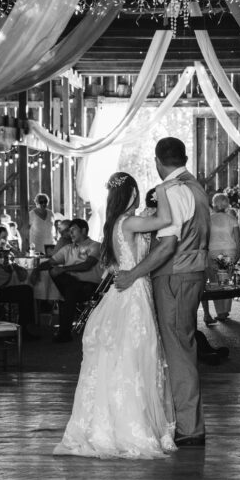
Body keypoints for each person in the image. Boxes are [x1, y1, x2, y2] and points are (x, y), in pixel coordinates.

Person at [54, 171, 179, 458]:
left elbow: (106, 267)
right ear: (133, 194)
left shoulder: (113, 223)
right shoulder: (129, 220)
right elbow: (165, 221)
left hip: (121, 292)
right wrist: (163, 191)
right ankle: (131, 425)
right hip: (134, 293)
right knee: (136, 355)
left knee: (121, 356)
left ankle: (109, 422)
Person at [113, 137, 211, 448]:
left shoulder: (172, 190)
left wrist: (134, 274)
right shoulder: (195, 187)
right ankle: (182, 421)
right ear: (184, 157)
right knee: (183, 344)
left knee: (179, 350)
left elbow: (168, 244)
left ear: (158, 161)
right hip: (191, 274)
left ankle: (190, 428)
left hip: (175, 278)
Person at [38, 219, 103, 344]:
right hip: (70, 286)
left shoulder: (95, 246)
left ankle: (64, 333)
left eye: (73, 230)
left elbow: (87, 266)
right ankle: (64, 333)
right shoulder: (68, 248)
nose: (70, 233)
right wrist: (37, 270)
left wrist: (64, 269)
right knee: (58, 276)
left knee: (68, 289)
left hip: (89, 287)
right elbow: (51, 262)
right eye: (69, 231)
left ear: (83, 230)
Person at [203, 193, 240, 324]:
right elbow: (237, 238)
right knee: (226, 281)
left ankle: (220, 312)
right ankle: (225, 311)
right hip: (229, 250)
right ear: (226, 204)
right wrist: (238, 253)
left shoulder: (208, 219)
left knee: (215, 282)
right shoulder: (232, 219)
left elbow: (205, 238)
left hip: (213, 250)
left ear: (214, 203)